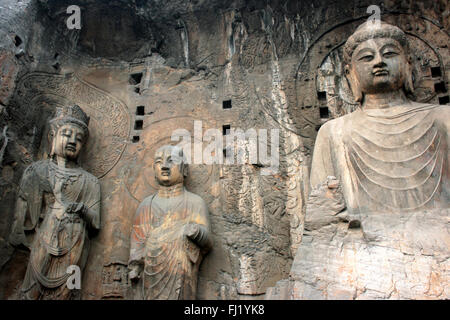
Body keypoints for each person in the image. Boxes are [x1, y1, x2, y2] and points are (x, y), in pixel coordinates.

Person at [309, 20, 449, 214]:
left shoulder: (443, 117)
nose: (379, 61)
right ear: (350, 74)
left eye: (389, 53)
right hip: (360, 238)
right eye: (367, 57)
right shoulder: (333, 132)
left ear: (408, 64)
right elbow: (322, 213)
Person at [9, 104, 100, 300]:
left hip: (75, 238)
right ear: (53, 137)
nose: (73, 141)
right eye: (67, 134)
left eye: (79, 139)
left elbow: (96, 221)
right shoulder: (37, 171)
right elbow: (23, 216)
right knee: (32, 287)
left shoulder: (90, 181)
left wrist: (82, 209)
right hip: (45, 235)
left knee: (67, 290)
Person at [128, 145, 212, 300]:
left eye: (171, 161)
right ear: (154, 169)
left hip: (182, 271)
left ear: (184, 169)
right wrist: (134, 265)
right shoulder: (146, 205)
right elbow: (137, 242)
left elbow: (208, 243)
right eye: (159, 162)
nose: (165, 166)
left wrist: (196, 232)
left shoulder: (195, 202)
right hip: (150, 273)